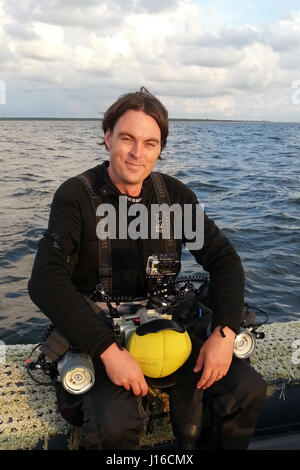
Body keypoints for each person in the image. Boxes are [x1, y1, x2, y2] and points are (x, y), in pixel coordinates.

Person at [28, 87, 267, 450]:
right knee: (116, 427)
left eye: (150, 143)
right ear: (107, 137)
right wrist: (108, 351)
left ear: (160, 148)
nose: (138, 153)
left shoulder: (176, 197)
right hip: (102, 335)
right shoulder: (75, 197)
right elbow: (46, 281)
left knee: (246, 388)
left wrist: (224, 334)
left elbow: (225, 261)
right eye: (127, 138)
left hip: (166, 326)